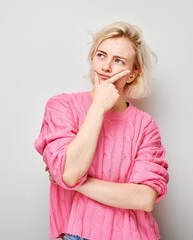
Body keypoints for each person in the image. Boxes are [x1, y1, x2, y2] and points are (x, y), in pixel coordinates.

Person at [34, 21, 169, 240]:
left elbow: (144, 198)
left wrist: (76, 185)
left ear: (133, 74)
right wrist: (98, 107)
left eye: (118, 61)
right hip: (73, 235)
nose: (106, 67)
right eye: (101, 55)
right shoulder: (61, 106)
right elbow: (70, 172)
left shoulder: (145, 125)